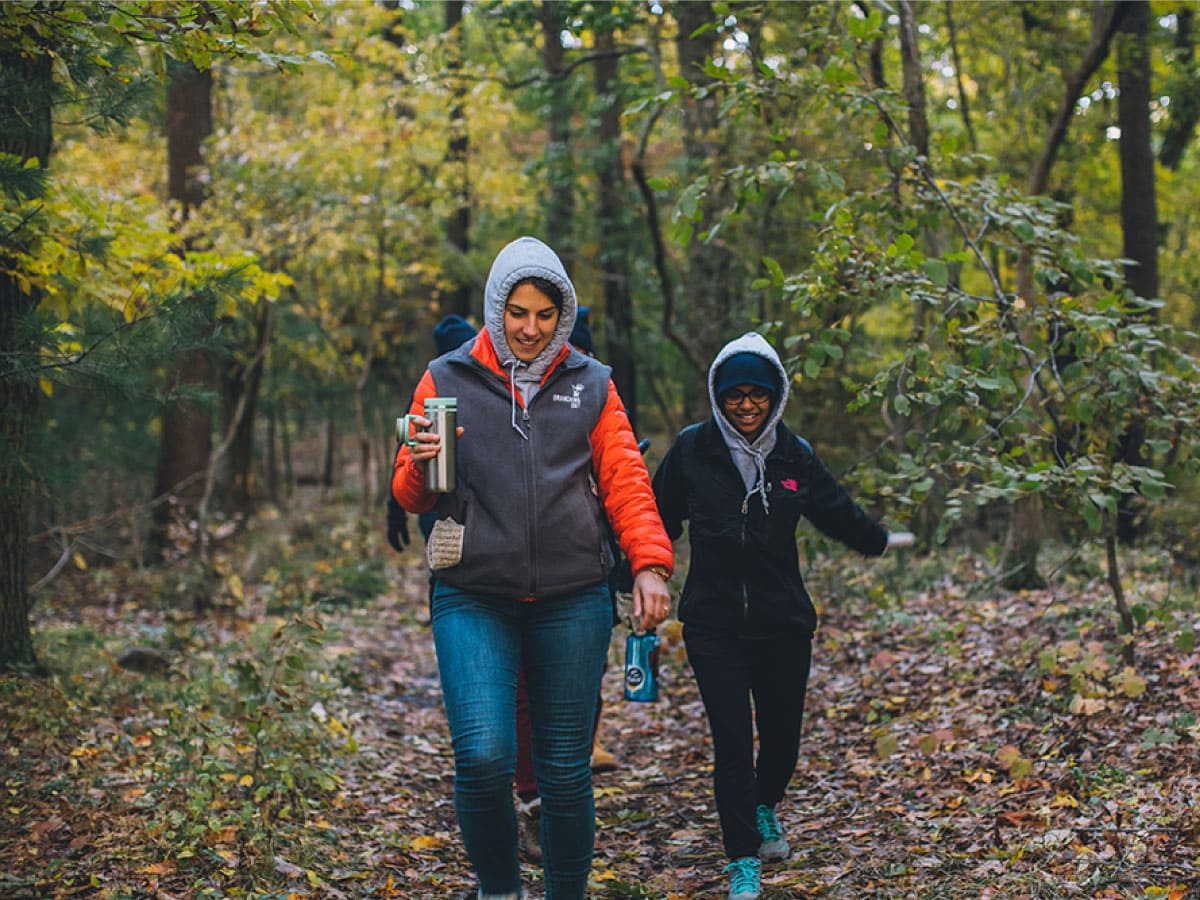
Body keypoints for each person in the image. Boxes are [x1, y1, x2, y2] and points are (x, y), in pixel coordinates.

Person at [393, 236, 674, 900]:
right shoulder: (446, 376)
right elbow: (410, 495)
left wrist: (650, 565)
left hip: (572, 597)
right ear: (496, 308)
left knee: (564, 770)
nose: (530, 328)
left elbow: (627, 480)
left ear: (563, 313)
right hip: (473, 594)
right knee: (484, 755)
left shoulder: (592, 383)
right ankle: (499, 890)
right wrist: (417, 459)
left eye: (545, 314)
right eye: (517, 312)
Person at [651, 332, 913, 900]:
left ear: (777, 396)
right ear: (718, 396)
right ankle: (742, 857)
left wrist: (878, 540)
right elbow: (655, 518)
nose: (747, 405)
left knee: (783, 741)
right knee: (730, 742)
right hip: (713, 622)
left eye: (759, 395)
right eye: (735, 395)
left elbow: (833, 509)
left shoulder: (794, 454)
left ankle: (765, 803)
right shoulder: (692, 450)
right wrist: (632, 577)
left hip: (783, 622)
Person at [386, 314, 477, 558]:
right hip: (435, 505)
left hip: (478, 508)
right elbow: (404, 452)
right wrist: (395, 510)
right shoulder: (432, 391)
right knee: (441, 567)